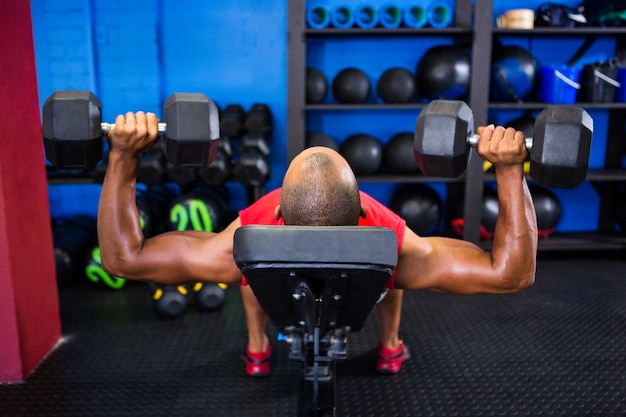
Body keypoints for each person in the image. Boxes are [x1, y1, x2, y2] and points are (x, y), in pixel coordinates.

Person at [98, 111, 537, 378]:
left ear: (277, 213)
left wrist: (122, 154)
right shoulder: (394, 241)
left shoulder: (248, 234)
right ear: (363, 211)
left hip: (266, 264)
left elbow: (124, 258)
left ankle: (257, 347)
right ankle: (389, 345)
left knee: (250, 267)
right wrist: (510, 169)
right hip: (372, 267)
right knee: (390, 273)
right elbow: (511, 274)